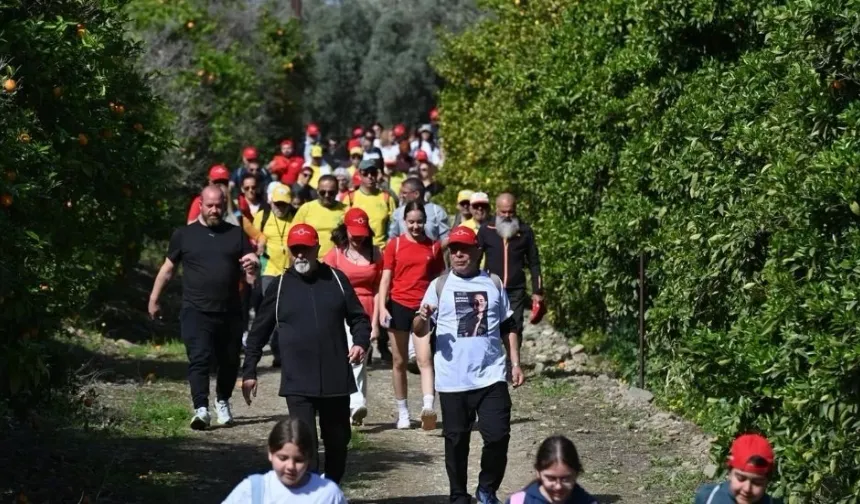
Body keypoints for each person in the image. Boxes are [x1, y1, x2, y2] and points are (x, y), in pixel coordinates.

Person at [242, 224, 370, 485]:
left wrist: (360, 342)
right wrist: (249, 371)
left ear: (317, 249)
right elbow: (258, 333)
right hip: (298, 381)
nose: (300, 255)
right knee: (304, 444)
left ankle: (331, 488)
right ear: (289, 251)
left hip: (335, 377)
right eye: (295, 249)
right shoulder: (279, 288)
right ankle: (311, 495)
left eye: (306, 249)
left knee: (338, 442)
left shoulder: (336, 279)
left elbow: (359, 318)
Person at [412, 226, 525, 504]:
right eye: (454, 249)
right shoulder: (439, 285)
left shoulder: (493, 283)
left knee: (498, 436)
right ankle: (458, 495)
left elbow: (508, 324)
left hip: (491, 376)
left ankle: (486, 488)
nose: (459, 254)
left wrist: (515, 363)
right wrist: (423, 317)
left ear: (477, 252)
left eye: (464, 249)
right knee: (456, 441)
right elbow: (418, 328)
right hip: (453, 379)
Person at [149, 186, 260, 430]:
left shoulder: (236, 234)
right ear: (200, 204)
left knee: (229, 361)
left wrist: (252, 264)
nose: (214, 210)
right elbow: (168, 269)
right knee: (199, 358)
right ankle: (201, 408)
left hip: (229, 310)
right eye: (209, 205)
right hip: (195, 310)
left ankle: (223, 401)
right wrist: (154, 298)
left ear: (224, 205)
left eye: (219, 205)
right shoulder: (184, 235)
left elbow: (251, 262)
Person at [378, 201, 446, 430]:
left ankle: (428, 407)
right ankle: (403, 412)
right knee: (399, 361)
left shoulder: (434, 247)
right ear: (404, 222)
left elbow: (440, 280)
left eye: (419, 222)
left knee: (425, 359)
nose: (416, 226)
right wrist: (382, 307)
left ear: (425, 221)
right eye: (411, 222)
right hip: (398, 305)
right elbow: (386, 278)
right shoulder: (394, 245)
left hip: (423, 308)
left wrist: (439, 305)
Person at [323, 208, 382, 426]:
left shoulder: (376, 253)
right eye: (354, 234)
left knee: (359, 359)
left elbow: (378, 288)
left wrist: (376, 322)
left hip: (365, 311)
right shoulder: (335, 254)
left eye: (362, 234)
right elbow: (323, 283)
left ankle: (356, 404)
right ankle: (350, 403)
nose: (358, 239)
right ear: (345, 230)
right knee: (348, 358)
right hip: (341, 311)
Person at [221, 416, 347, 504]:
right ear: (270, 453)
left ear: (309, 458)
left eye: (298, 460)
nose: (290, 466)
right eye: (283, 458)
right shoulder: (253, 489)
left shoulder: (328, 494)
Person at [477, 193, 543, 349]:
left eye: (510, 212)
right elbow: (475, 258)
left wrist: (537, 291)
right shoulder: (486, 229)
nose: (507, 216)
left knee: (515, 327)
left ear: (516, 210)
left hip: (516, 288)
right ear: (496, 209)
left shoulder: (525, 231)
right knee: (489, 327)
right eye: (503, 212)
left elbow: (534, 262)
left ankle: (513, 366)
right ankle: (491, 365)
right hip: (491, 287)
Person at [253, 184, 295, 366]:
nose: (280, 208)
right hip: (269, 271)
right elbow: (254, 237)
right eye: (277, 204)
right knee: (272, 313)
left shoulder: (296, 217)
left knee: (287, 313)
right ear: (271, 202)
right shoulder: (262, 217)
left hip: (290, 272)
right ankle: (275, 350)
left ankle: (284, 353)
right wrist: (258, 244)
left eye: (284, 204)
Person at [694, 434, 782, 504]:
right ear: (729, 472)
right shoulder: (708, 498)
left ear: (767, 481)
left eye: (757, 482)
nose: (747, 489)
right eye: (741, 478)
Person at [291, 175, 346, 258]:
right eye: (322, 192)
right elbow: (292, 236)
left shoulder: (345, 210)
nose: (327, 195)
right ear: (317, 191)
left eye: (331, 192)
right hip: (311, 262)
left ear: (337, 192)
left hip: (337, 263)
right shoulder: (306, 208)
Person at [346, 159, 396, 249]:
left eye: (373, 173)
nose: (370, 176)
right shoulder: (350, 198)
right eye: (365, 173)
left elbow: (394, 226)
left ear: (377, 174)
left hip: (381, 250)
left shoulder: (387, 198)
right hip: (358, 249)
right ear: (359, 174)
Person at [389, 178, 450, 243]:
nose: (401, 196)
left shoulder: (437, 211)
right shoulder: (398, 212)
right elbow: (393, 238)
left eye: (405, 193)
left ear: (416, 194)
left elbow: (445, 238)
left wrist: (435, 251)